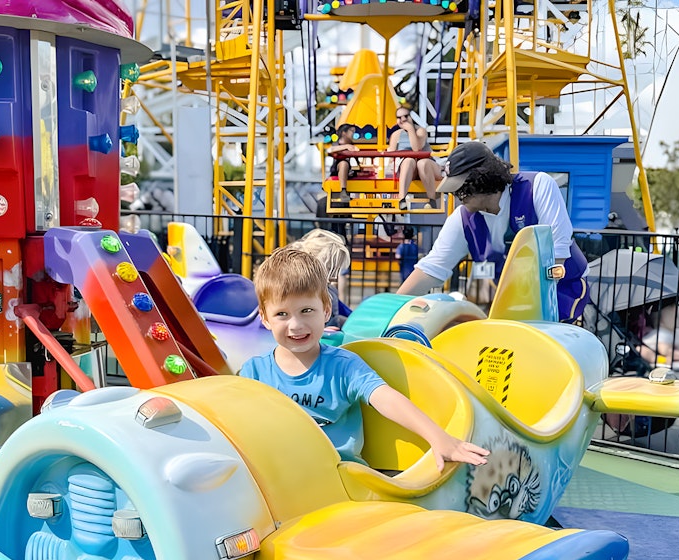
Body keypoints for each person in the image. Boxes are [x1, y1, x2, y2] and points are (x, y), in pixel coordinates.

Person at [240, 247, 489, 469]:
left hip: (340, 477)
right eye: (282, 314)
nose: (296, 325)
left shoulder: (343, 367)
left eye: (307, 311)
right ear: (264, 317)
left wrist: (438, 437)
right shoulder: (254, 372)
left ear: (326, 310)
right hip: (280, 478)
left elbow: (386, 399)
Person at [396, 141, 589, 323]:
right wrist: (393, 308)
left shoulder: (536, 187)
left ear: (480, 180)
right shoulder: (463, 218)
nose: (457, 196)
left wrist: (530, 312)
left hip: (563, 290)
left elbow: (557, 253)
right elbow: (431, 268)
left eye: (460, 188)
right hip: (512, 302)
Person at [288, 228, 351, 328]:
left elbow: (336, 318)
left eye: (336, 269)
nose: (334, 275)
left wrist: (352, 323)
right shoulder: (307, 293)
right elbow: (301, 321)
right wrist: (324, 332)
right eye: (329, 268)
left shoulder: (329, 289)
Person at [387, 106, 443, 211]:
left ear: (411, 117)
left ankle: (432, 199)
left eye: (406, 116)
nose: (403, 120)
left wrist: (410, 130)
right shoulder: (395, 135)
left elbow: (416, 149)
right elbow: (391, 158)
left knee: (422, 163)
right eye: (399, 117)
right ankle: (402, 199)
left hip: (426, 166)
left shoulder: (420, 131)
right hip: (408, 168)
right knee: (409, 160)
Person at [327, 123, 362, 202]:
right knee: (343, 163)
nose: (354, 134)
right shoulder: (336, 144)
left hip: (352, 171)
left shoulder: (353, 145)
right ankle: (343, 190)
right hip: (337, 169)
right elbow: (329, 150)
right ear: (344, 133)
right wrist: (346, 146)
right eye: (352, 131)